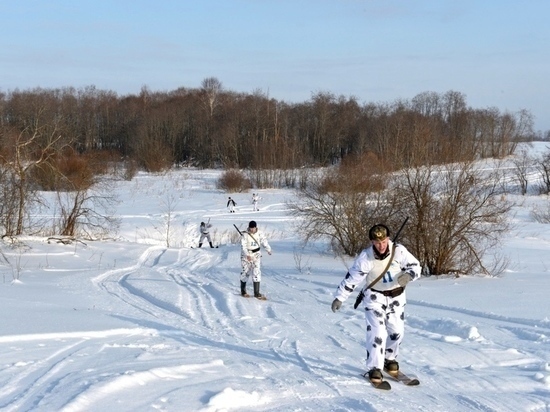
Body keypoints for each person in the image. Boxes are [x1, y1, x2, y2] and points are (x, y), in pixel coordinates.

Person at [331, 223, 421, 384]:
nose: (381, 246)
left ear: (388, 239)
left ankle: (389, 358)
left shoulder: (399, 251)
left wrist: (409, 275)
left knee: (397, 332)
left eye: (384, 242)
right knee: (377, 333)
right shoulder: (366, 257)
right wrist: (340, 297)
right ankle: (375, 368)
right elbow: (352, 278)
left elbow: (416, 266)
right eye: (377, 243)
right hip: (375, 299)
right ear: (372, 242)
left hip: (397, 298)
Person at [240, 220, 272, 299]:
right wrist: (247, 254)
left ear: (255, 227)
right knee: (246, 272)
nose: (251, 230)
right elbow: (243, 246)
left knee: (256, 271)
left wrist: (268, 249)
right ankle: (243, 290)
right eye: (250, 228)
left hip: (256, 255)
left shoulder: (260, 233)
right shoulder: (245, 235)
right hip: (246, 255)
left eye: (253, 228)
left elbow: (264, 241)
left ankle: (256, 292)